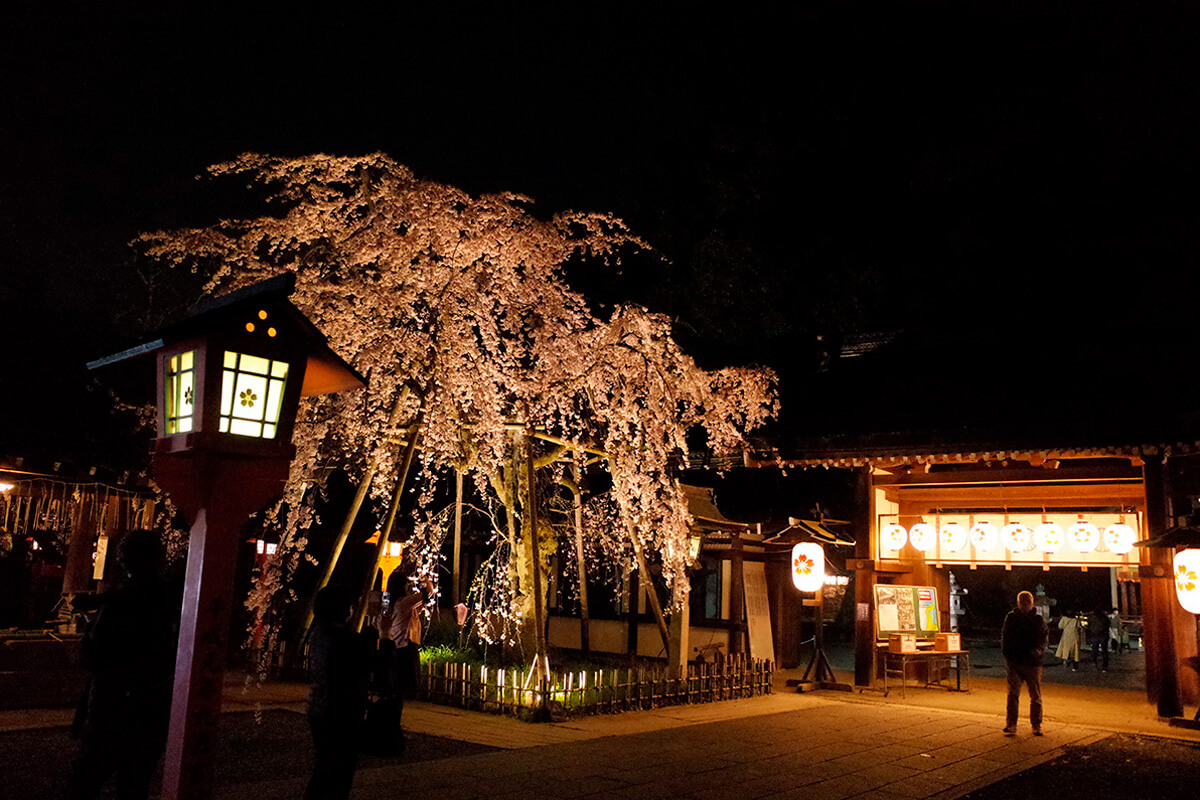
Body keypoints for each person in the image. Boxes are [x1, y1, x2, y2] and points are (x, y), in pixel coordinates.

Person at [66, 530, 181, 800]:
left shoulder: (117, 605)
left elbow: (92, 655)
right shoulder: (172, 597)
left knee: (86, 777)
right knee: (134, 781)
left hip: (113, 701)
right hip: (153, 701)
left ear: (123, 561)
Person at [306, 584, 372, 800]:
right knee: (340, 772)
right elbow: (372, 667)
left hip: (318, 709)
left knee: (324, 767)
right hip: (343, 714)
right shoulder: (346, 640)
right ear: (344, 609)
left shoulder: (317, 635)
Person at [373, 566, 433, 754]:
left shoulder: (386, 600)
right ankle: (393, 729)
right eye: (407, 584)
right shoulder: (404, 603)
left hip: (387, 646)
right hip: (404, 648)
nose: (409, 586)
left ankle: (387, 728)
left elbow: (380, 619)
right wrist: (426, 579)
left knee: (389, 690)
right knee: (399, 692)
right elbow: (428, 593)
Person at [1001, 590, 1049, 736]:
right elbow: (1005, 638)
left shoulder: (1038, 620)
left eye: (1027, 602)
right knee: (1014, 694)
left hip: (1032, 662)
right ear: (1018, 603)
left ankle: (1036, 725)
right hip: (1016, 661)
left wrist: (1039, 651)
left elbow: (1043, 640)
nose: (1025, 604)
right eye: (1023, 602)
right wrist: (1008, 656)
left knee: (1034, 695)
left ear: (1031, 603)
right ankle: (1012, 725)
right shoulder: (1011, 618)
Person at [1087, 606, 1109, 672]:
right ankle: (1104, 666)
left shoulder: (1091, 618)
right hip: (1103, 635)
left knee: (1094, 650)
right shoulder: (1104, 617)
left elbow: (1089, 626)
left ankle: (1094, 664)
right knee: (1104, 651)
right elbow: (1108, 625)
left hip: (1094, 635)